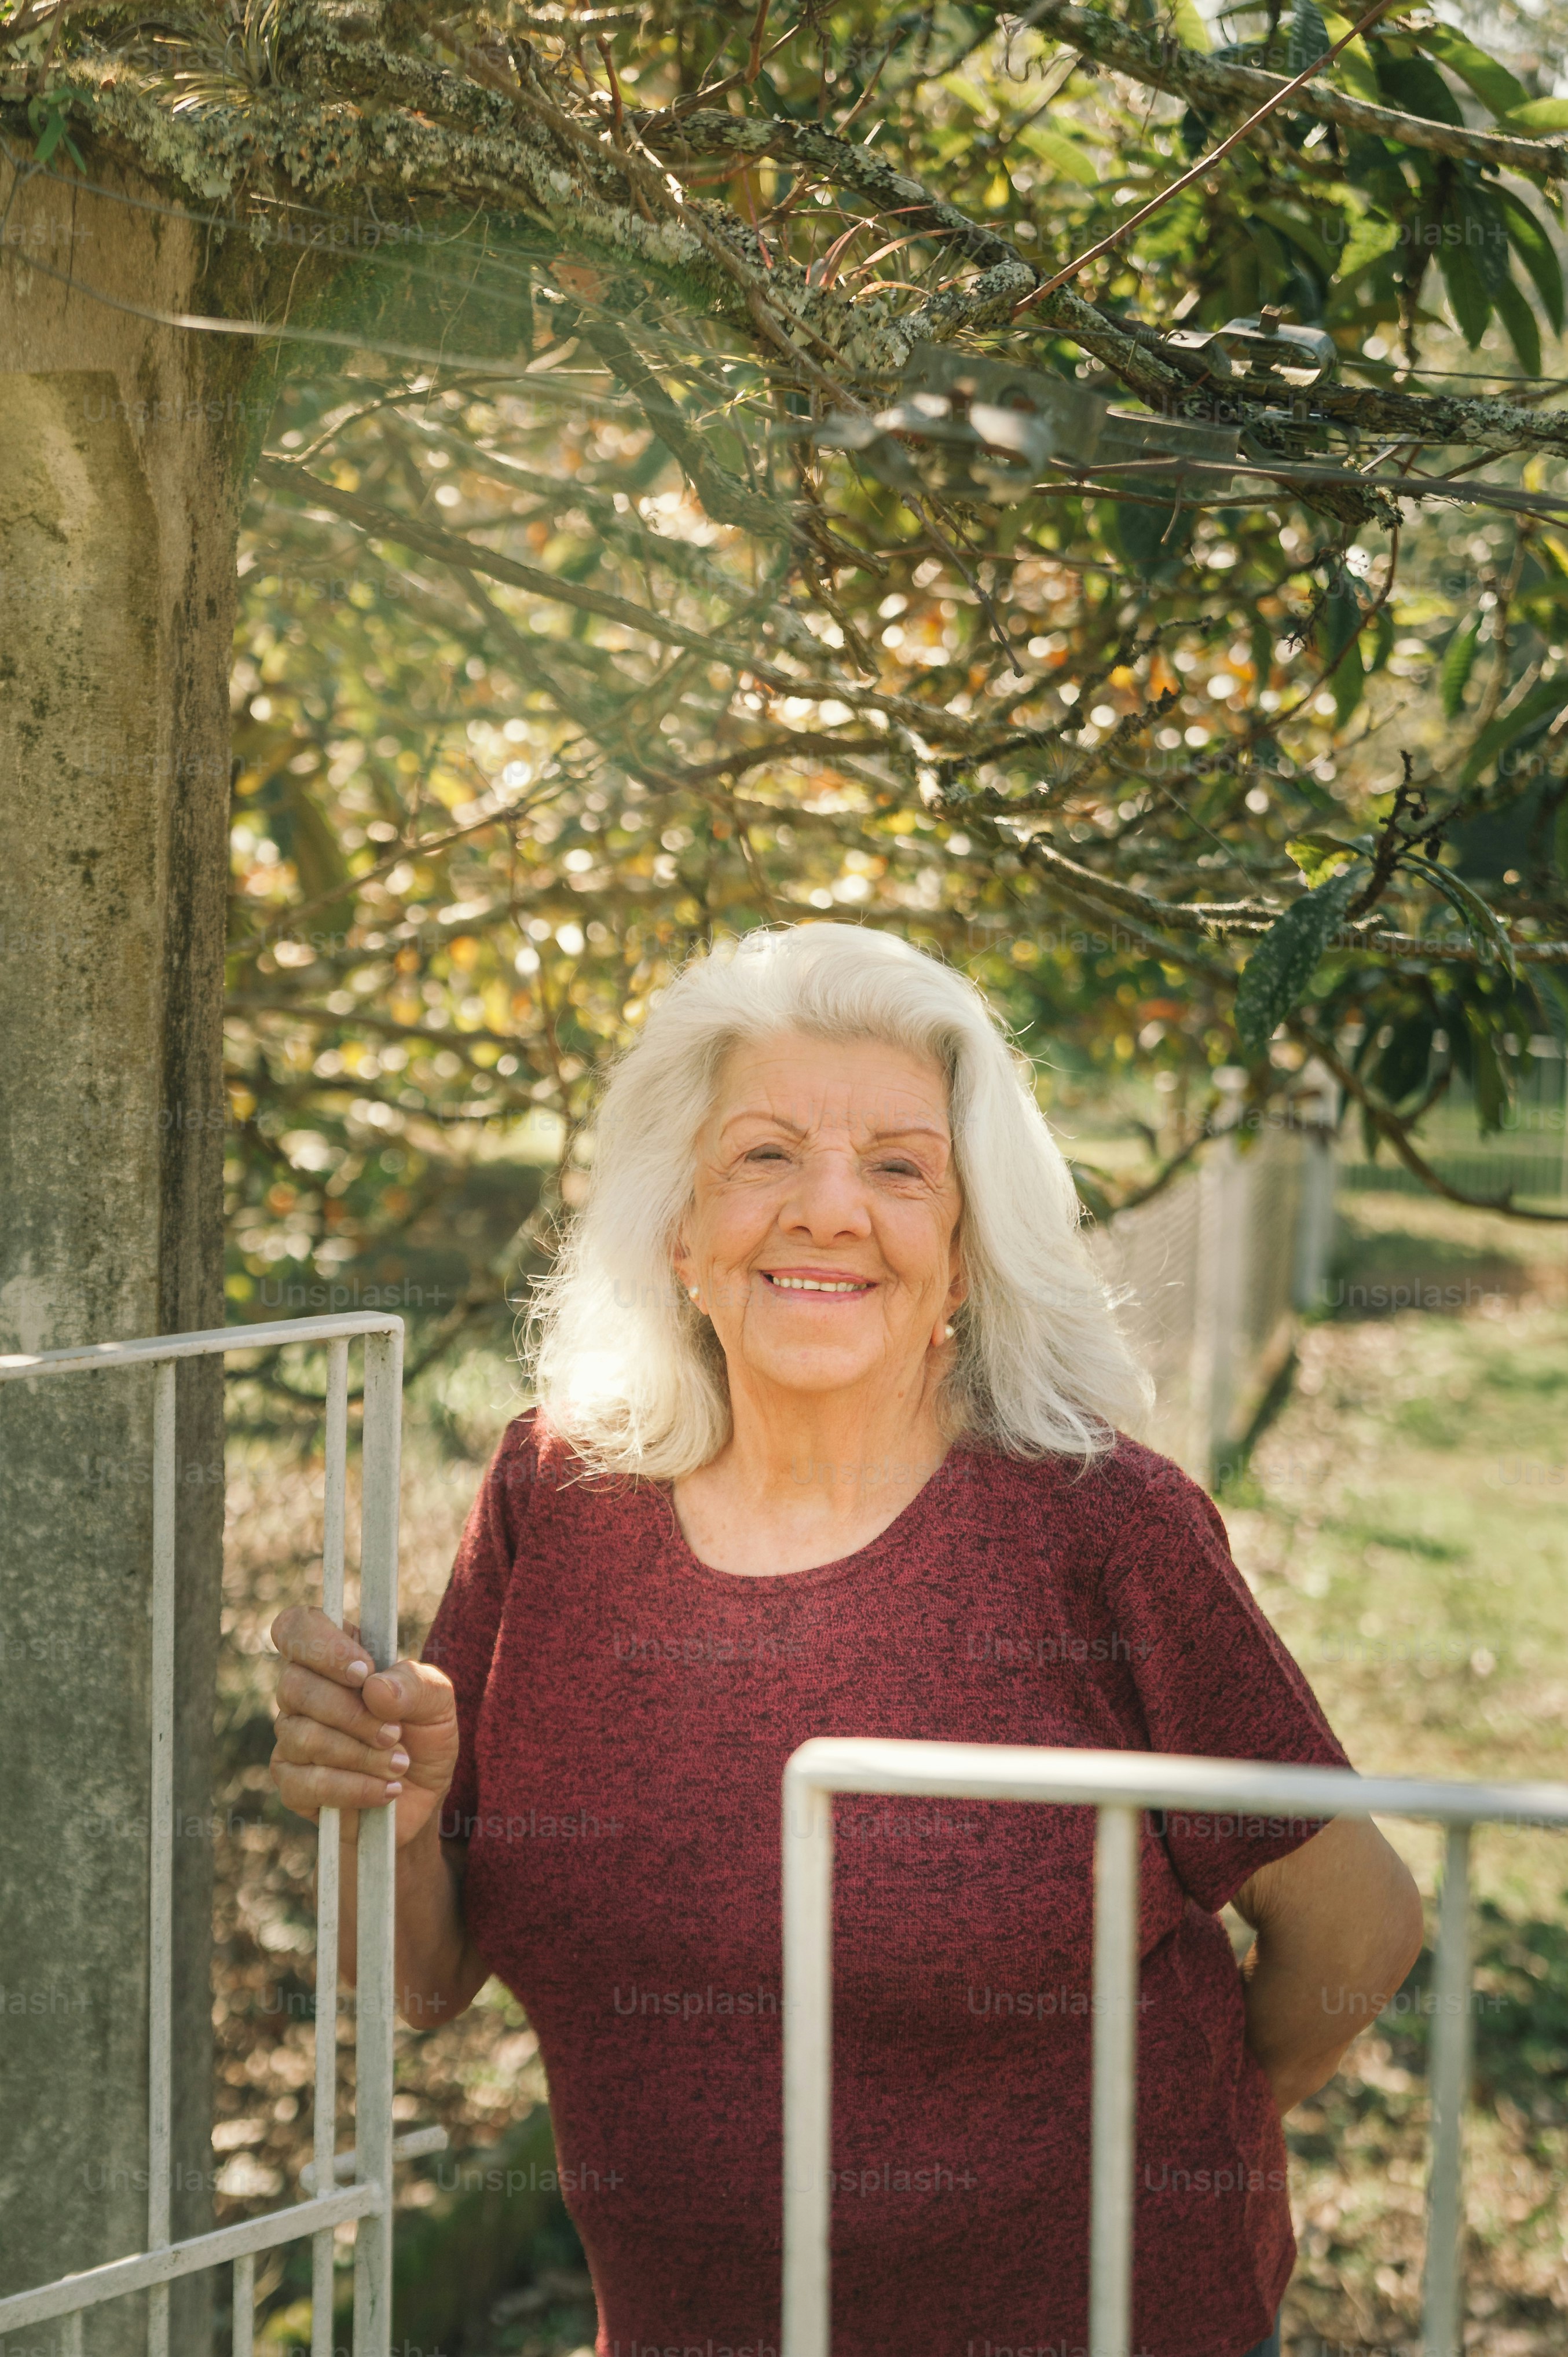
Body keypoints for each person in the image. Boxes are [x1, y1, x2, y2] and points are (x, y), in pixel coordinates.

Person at [270, 922, 1423, 2357]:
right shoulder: (552, 1497)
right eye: (763, 1154)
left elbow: (1360, 1925)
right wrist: (396, 1808)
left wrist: (1156, 2161)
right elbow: (423, 1984)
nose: (828, 1210)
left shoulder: (1100, 1529)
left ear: (961, 1257)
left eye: (898, 1166)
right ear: (678, 1228)